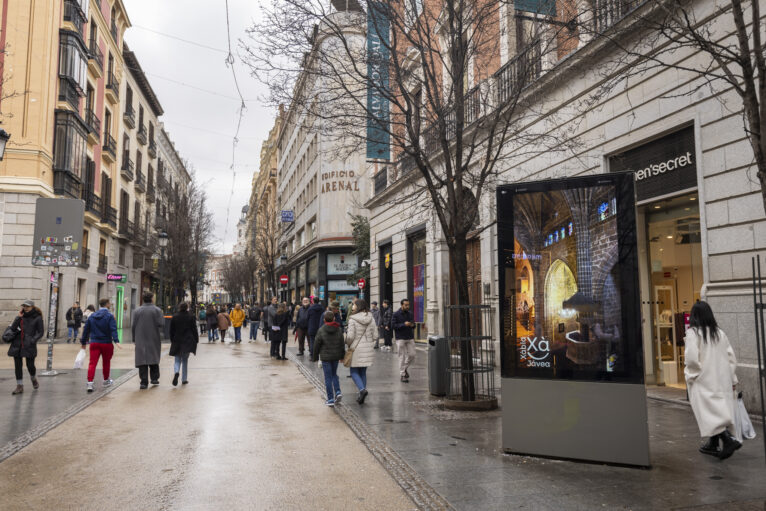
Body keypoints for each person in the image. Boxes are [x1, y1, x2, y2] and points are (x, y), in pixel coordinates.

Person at [684, 301, 741, 460]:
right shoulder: (720, 333)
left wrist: (691, 375)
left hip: (703, 380)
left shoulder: (693, 333)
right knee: (717, 410)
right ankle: (713, 444)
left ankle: (727, 440)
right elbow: (731, 358)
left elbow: (692, 360)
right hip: (721, 380)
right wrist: (731, 377)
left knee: (708, 413)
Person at [81, 298, 120, 393]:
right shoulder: (110, 316)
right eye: (109, 303)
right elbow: (113, 329)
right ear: (107, 304)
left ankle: (90, 383)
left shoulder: (92, 316)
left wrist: (83, 342)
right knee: (106, 362)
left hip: (94, 342)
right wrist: (116, 341)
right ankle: (106, 380)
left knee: (92, 363)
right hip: (106, 342)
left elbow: (86, 329)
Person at [6, 300, 43, 395]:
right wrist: (18, 317)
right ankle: (19, 386)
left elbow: (40, 332)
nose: (25, 308)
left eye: (27, 306)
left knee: (30, 365)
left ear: (32, 307)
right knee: (18, 366)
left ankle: (33, 378)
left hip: (29, 344)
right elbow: (13, 328)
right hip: (17, 344)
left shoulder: (37, 318)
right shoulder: (20, 317)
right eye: (24, 306)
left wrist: (33, 340)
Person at [345, 299, 377, 404]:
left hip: (356, 348)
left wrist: (346, 341)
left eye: (354, 304)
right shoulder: (371, 318)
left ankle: (362, 390)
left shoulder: (352, 319)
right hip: (368, 347)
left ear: (358, 306)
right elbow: (376, 335)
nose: (353, 306)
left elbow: (350, 337)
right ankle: (361, 393)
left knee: (353, 371)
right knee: (363, 372)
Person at [312, 311, 346, 406]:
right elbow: (342, 344)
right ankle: (338, 392)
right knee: (334, 375)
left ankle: (330, 399)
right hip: (335, 356)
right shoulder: (338, 329)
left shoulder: (321, 330)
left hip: (325, 357)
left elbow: (316, 345)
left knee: (328, 377)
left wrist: (315, 357)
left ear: (324, 320)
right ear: (334, 319)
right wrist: (342, 356)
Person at [132, 292, 164, 390]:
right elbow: (161, 323)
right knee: (153, 356)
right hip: (153, 337)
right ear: (151, 299)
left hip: (140, 337)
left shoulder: (137, 311)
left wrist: (134, 338)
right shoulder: (157, 310)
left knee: (142, 359)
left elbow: (133, 326)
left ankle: (144, 381)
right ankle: (154, 378)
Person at [169, 302, 199, 386]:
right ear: (187, 308)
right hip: (187, 340)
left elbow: (171, 330)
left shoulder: (175, 317)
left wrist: (172, 339)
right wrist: (196, 339)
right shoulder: (191, 317)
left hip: (177, 340)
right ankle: (184, 379)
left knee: (177, 359)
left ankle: (176, 372)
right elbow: (194, 329)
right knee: (185, 360)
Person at [392, 298, 416, 383]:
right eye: (406, 305)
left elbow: (414, 324)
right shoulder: (396, 314)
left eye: (408, 305)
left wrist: (412, 325)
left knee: (412, 355)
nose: (407, 306)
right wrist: (403, 324)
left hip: (409, 337)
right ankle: (402, 375)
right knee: (401, 357)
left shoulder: (410, 314)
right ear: (402, 305)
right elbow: (393, 326)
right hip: (400, 337)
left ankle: (404, 368)